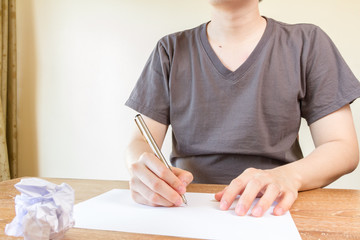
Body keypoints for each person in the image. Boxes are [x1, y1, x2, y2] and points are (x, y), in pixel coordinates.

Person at [125, 0, 360, 217]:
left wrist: (287, 176)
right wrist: (144, 173)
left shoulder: (307, 42)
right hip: (185, 206)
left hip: (273, 207)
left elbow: (342, 147)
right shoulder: (170, 49)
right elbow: (140, 142)